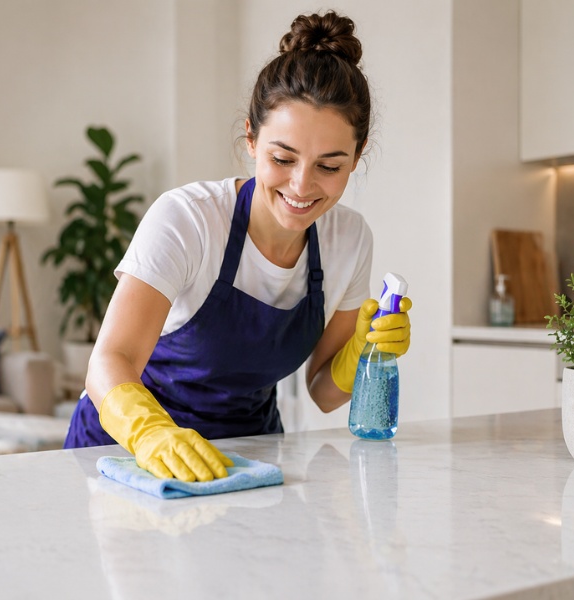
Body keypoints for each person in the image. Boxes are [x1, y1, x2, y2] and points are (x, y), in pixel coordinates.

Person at [63, 10, 412, 482]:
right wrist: (152, 434)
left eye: (329, 166)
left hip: (248, 459)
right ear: (251, 137)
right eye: (282, 158)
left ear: (358, 155)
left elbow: (323, 391)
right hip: (122, 456)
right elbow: (109, 361)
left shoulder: (349, 239)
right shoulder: (189, 219)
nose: (301, 186)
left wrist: (362, 355)